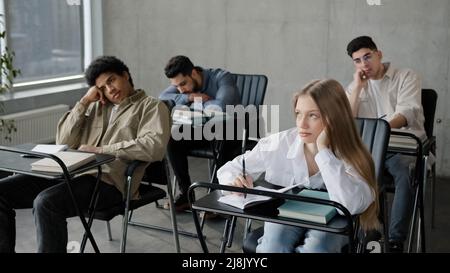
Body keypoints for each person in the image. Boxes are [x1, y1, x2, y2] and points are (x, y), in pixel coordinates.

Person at [0, 56, 171, 252]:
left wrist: (101, 150)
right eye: (103, 87)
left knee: (46, 203)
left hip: (110, 182)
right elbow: (63, 142)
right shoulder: (95, 106)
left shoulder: (152, 106)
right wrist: (84, 101)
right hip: (69, 171)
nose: (110, 89)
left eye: (111, 80)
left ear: (125, 75)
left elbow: (154, 147)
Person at [217, 79, 379, 253]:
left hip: (336, 221)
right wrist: (234, 182)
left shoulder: (351, 154)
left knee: (317, 249)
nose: (302, 124)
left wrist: (323, 151)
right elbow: (231, 168)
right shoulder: (280, 143)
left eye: (313, 115)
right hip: (289, 211)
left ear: (334, 117)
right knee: (272, 247)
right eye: (299, 113)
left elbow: (351, 205)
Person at [345, 36, 425, 252]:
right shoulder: (356, 86)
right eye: (358, 60)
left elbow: (406, 113)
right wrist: (358, 89)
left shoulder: (406, 76)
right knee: (351, 170)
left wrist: (379, 131)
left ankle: (395, 240)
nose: (364, 64)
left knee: (404, 174)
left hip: (403, 145)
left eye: (367, 57)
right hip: (374, 149)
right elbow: (349, 122)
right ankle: (369, 228)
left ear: (379, 54)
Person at [159, 55, 240, 212]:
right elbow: (162, 97)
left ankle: (217, 198)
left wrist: (199, 101)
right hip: (204, 130)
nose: (181, 89)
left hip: (231, 132)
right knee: (172, 138)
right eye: (177, 87)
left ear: (194, 73)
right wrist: (190, 96)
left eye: (183, 84)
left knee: (223, 136)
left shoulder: (222, 77)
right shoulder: (184, 89)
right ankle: (186, 194)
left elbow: (222, 106)